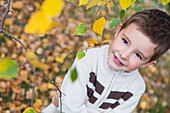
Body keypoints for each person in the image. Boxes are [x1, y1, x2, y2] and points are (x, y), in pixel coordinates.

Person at [42, 9, 170, 113]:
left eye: (138, 55)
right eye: (125, 41)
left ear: (147, 64)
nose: (124, 55)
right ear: (118, 31)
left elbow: (67, 105)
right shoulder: (87, 59)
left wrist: (68, 105)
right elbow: (69, 107)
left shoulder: (135, 88)